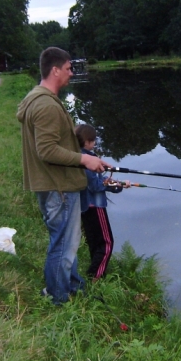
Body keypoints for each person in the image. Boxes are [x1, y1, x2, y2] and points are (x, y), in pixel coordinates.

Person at [17, 47, 109, 304]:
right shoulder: (46, 105)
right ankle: (59, 298)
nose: (71, 73)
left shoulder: (38, 98)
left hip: (53, 184)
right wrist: (84, 158)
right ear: (55, 70)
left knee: (67, 243)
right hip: (59, 188)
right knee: (63, 247)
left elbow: (55, 146)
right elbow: (46, 150)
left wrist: (89, 159)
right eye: (68, 68)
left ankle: (73, 286)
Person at [75, 124, 129, 280]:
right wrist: (114, 186)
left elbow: (99, 180)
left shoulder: (77, 156)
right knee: (106, 243)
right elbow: (95, 185)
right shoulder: (88, 161)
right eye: (93, 140)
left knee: (94, 241)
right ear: (88, 141)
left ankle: (95, 271)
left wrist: (118, 183)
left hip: (85, 207)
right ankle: (96, 277)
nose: (95, 143)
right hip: (95, 206)